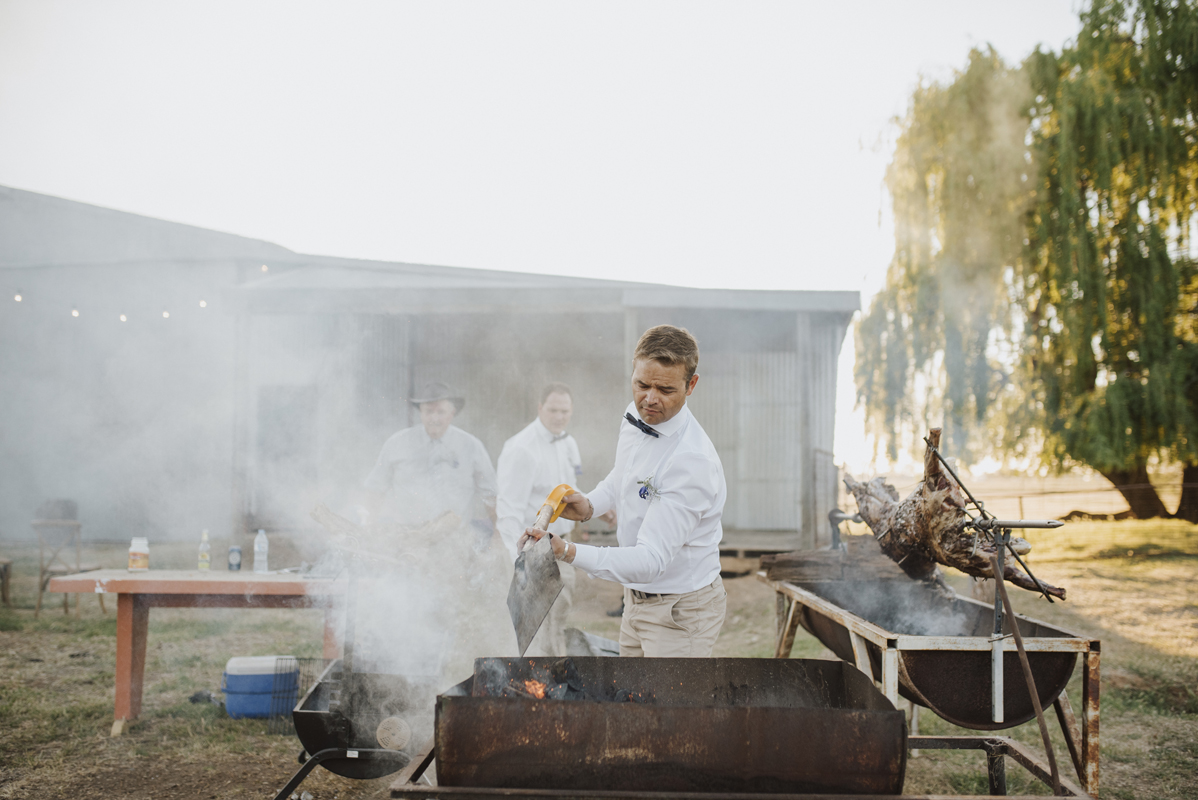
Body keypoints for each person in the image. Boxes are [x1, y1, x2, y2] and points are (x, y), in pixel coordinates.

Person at [519, 325, 728, 657]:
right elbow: (626, 476)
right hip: (635, 599)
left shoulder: (692, 462)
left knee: (665, 710)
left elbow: (649, 560)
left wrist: (566, 552)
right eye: (642, 384)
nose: (650, 399)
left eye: (665, 389)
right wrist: (590, 505)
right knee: (631, 704)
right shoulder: (636, 415)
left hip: (680, 612)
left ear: (692, 385)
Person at [496, 382, 583, 656]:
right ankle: (542, 688)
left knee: (557, 621)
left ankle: (553, 686)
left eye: (565, 411)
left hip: (563, 547)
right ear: (540, 408)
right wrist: (518, 563)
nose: (559, 416)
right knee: (536, 630)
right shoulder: (521, 449)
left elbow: (570, 492)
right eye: (553, 410)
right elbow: (508, 512)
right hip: (533, 551)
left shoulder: (568, 443)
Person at [364, 381, 498, 545]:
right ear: (420, 413)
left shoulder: (471, 446)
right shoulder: (396, 444)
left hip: (457, 541)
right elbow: (375, 488)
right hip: (408, 540)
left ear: (452, 414)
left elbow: (490, 494)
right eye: (429, 411)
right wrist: (369, 524)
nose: (434, 418)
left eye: (440, 412)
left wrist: (498, 535)